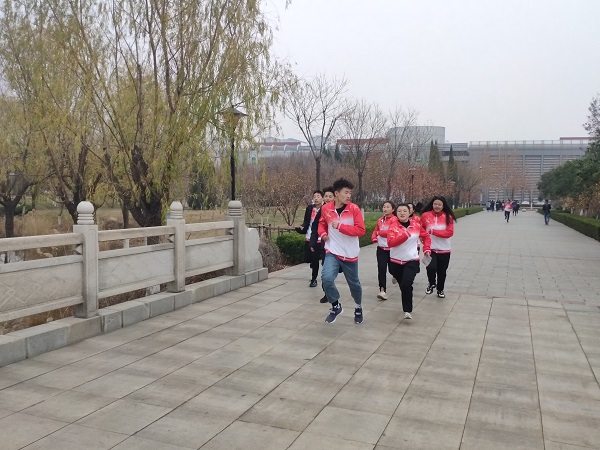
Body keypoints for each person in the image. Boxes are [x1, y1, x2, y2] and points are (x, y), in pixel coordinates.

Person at [318, 178, 366, 324]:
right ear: (336, 194)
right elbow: (321, 224)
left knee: (354, 284)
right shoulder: (326, 208)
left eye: (350, 193)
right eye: (346, 192)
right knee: (326, 278)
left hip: (350, 254)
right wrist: (323, 234)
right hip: (332, 251)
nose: (349, 195)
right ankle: (335, 306)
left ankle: (358, 306)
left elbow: (361, 230)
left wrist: (340, 227)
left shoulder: (354, 209)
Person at [387, 204, 431, 320]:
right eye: (399, 211)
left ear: (409, 212)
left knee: (406, 284)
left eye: (405, 211)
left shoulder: (416, 225)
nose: (402, 213)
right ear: (396, 213)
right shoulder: (393, 227)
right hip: (395, 261)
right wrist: (404, 235)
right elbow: (390, 243)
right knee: (403, 286)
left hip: (411, 260)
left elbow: (426, 236)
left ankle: (407, 310)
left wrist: (426, 248)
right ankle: (406, 300)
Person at [420, 196, 457, 299]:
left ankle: (440, 289)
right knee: (430, 267)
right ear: (432, 204)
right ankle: (431, 283)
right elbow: (421, 228)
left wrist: (433, 231)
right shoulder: (425, 215)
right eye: (435, 204)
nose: (437, 206)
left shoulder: (448, 217)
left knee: (442, 271)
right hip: (430, 248)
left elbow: (449, 233)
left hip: (444, 249)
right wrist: (422, 238)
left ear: (443, 206)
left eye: (439, 204)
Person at [309, 186, 335, 303]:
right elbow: (315, 227)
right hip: (326, 245)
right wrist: (312, 242)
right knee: (326, 271)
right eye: (326, 196)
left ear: (335, 197)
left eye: (330, 196)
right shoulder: (322, 210)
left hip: (340, 247)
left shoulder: (339, 209)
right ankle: (327, 293)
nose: (328, 198)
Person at [295, 190, 324, 287]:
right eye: (314, 196)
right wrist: (303, 226)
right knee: (308, 258)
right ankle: (313, 262)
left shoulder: (325, 208)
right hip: (309, 236)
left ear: (322, 198)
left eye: (318, 196)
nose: (316, 198)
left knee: (315, 260)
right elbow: (306, 221)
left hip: (319, 237)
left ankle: (314, 279)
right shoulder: (310, 208)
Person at [371, 200, 397, 300]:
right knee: (381, 269)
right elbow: (376, 230)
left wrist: (379, 233)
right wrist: (374, 236)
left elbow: (391, 232)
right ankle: (382, 290)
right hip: (381, 249)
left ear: (393, 209)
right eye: (384, 207)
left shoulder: (395, 220)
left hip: (392, 249)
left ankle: (395, 274)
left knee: (392, 269)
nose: (385, 209)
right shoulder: (380, 220)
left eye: (388, 207)